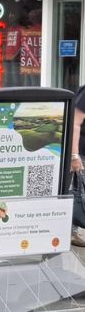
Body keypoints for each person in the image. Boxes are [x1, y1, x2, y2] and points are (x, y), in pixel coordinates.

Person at [69, 85, 85, 246]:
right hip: (82, 152)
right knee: (77, 191)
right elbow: (75, 123)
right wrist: (74, 155)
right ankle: (70, 233)